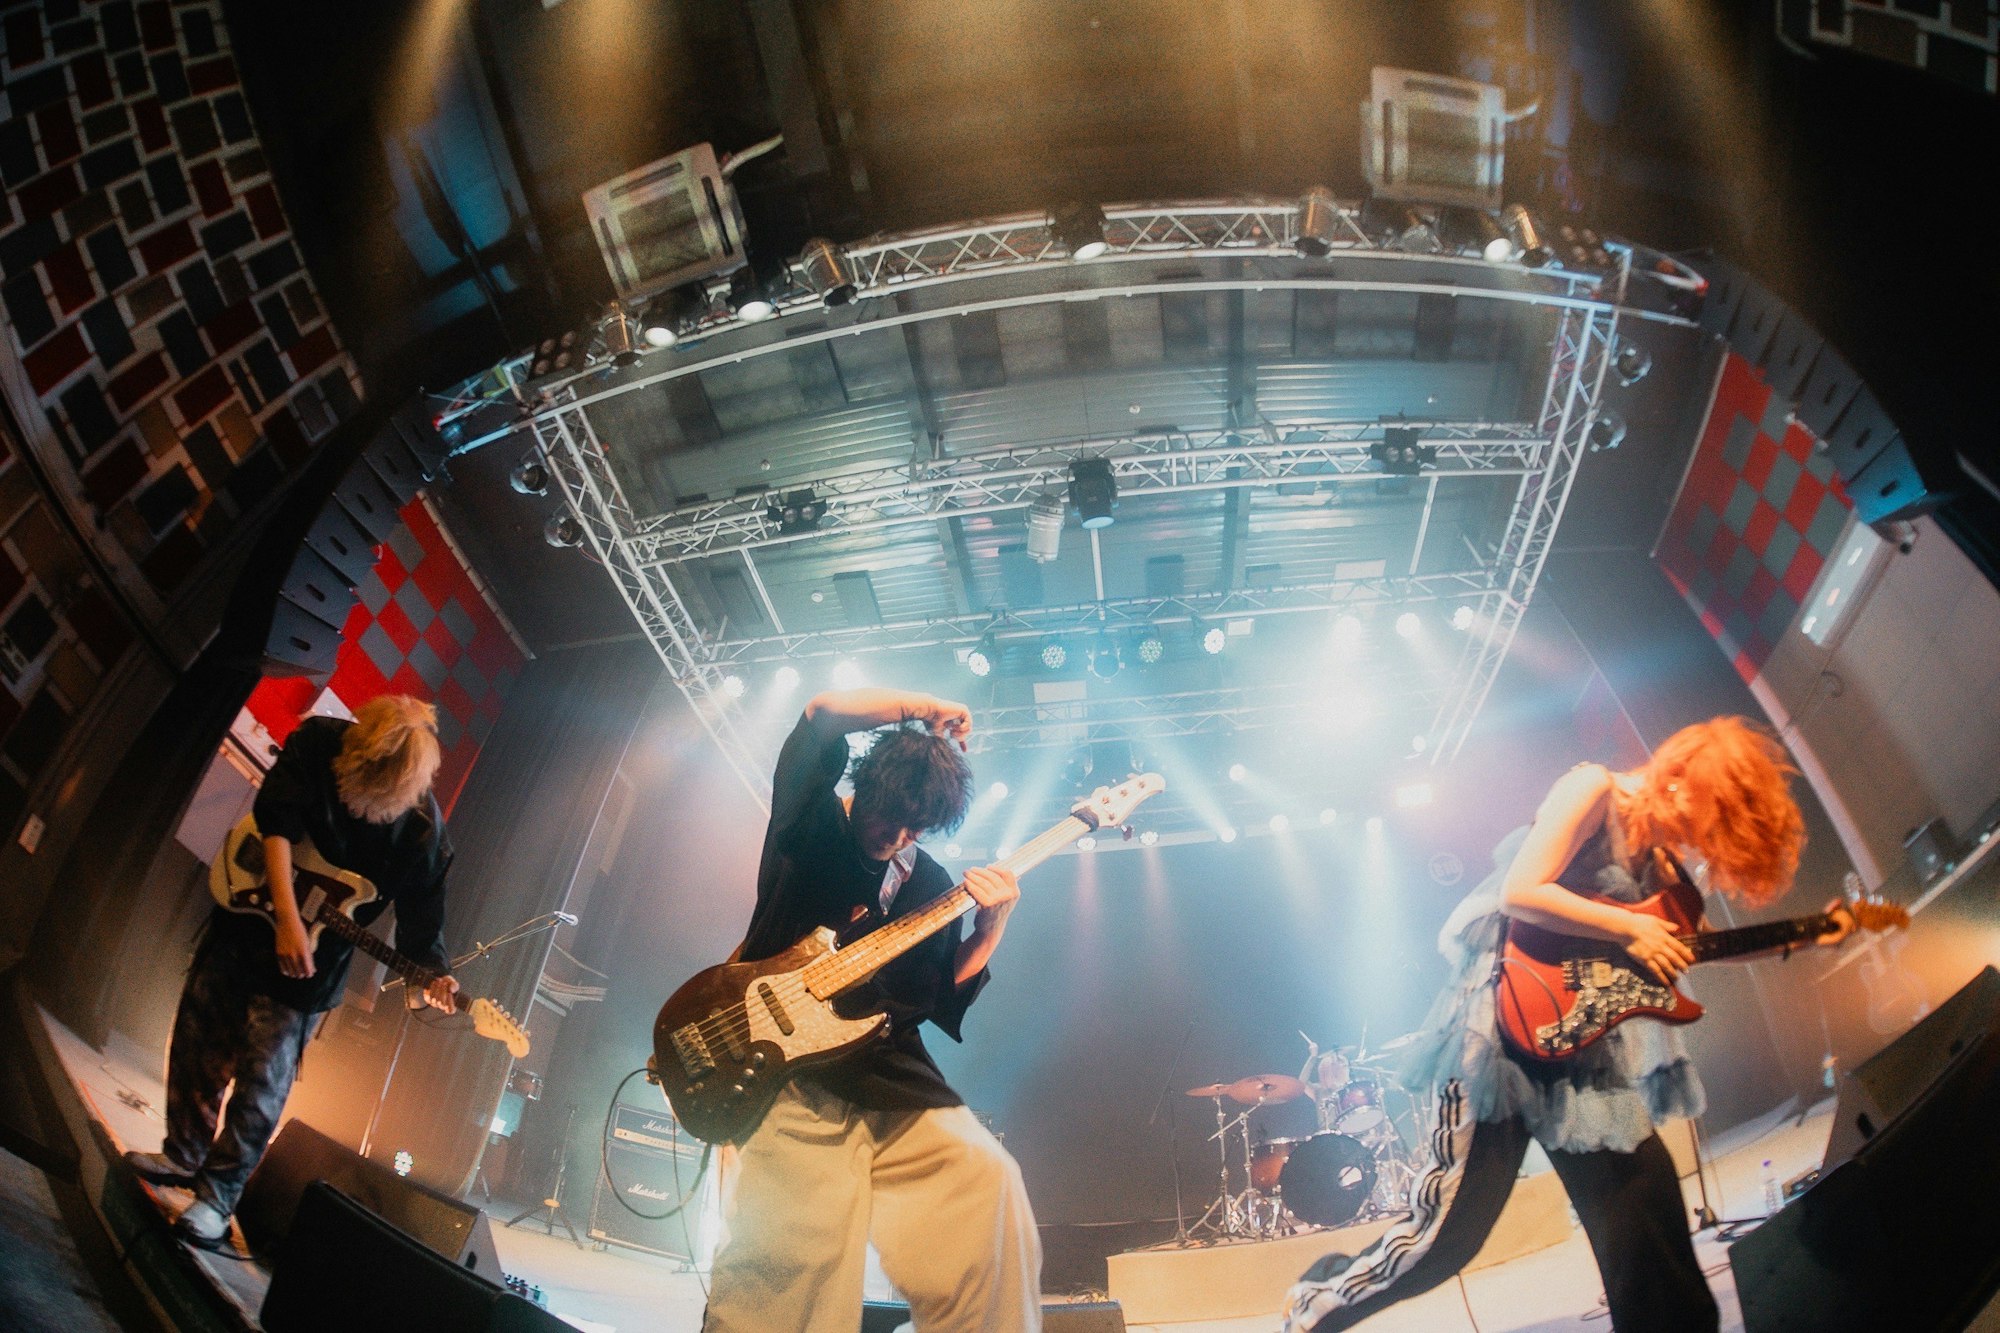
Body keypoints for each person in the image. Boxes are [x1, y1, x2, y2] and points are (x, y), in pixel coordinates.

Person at [1286, 717, 1855, 1333]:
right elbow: (1521, 891)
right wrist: (1630, 926)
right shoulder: (1593, 789)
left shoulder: (1659, 859)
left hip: (1582, 1055)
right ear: (1680, 781)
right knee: (1447, 1236)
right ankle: (1317, 1303)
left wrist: (1804, 936)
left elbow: (1698, 943)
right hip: (1498, 1039)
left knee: (1645, 1211)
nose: (1695, 839)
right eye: (1703, 819)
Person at [702, 688, 1042, 1333]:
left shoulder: (929, 883)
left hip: (886, 1070)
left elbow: (934, 993)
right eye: (891, 815)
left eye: (917, 828)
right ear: (867, 784)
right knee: (796, 1258)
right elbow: (820, 715)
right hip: (789, 1068)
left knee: (986, 1182)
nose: (898, 836)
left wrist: (990, 929)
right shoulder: (812, 823)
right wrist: (919, 707)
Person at [124, 695, 462, 1246]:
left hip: (314, 964)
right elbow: (275, 822)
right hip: (251, 916)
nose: (360, 805)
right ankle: (182, 1155)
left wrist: (434, 973)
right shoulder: (321, 741)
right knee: (197, 1039)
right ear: (354, 750)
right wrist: (286, 918)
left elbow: (423, 924)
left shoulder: (423, 833)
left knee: (263, 1084)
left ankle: (217, 1198)